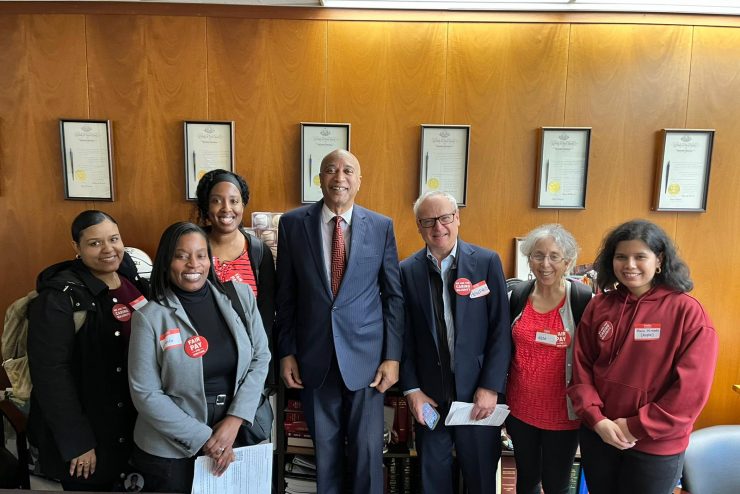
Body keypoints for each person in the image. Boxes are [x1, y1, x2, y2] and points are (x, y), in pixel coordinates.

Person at [275, 149, 404, 494]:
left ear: (359, 180)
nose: (339, 177)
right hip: (313, 359)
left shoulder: (381, 226)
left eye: (348, 170)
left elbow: (394, 297)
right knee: (326, 456)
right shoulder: (292, 224)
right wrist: (286, 351)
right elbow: (285, 296)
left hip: (367, 360)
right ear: (319, 179)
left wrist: (392, 358)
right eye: (330, 170)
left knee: (366, 455)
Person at [567, 219, 718, 494]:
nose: (630, 265)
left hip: (655, 446)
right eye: (621, 257)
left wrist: (636, 426)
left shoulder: (687, 313)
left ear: (659, 260)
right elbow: (581, 368)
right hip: (600, 435)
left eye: (640, 257)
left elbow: (691, 392)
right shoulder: (599, 305)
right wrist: (596, 419)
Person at [128, 222, 270, 493]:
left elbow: (260, 357)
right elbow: (145, 393)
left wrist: (234, 420)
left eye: (201, 255)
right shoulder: (149, 317)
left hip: (237, 435)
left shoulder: (239, 296)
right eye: (182, 256)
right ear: (167, 261)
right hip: (170, 450)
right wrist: (208, 439)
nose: (193, 264)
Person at [27, 210, 150, 491]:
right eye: (95, 243)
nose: (108, 250)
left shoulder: (135, 283)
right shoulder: (58, 297)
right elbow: (50, 375)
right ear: (77, 248)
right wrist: (77, 442)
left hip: (134, 432)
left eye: (114, 239)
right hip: (90, 437)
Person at [399, 191, 511, 494]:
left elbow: (500, 329)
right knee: (432, 481)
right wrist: (412, 391)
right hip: (431, 399)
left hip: (478, 398)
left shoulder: (487, 262)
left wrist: (491, 387)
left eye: (445, 217)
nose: (438, 227)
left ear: (457, 218)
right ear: (419, 227)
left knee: (480, 481)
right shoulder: (406, 271)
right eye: (428, 221)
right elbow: (402, 337)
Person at [506, 224, 592, 494]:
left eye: (554, 256)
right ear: (529, 259)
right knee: (526, 481)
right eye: (538, 255)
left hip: (563, 414)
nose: (545, 263)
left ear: (567, 261)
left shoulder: (582, 299)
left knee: (557, 484)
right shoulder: (517, 295)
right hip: (520, 410)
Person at [194, 169, 275, 342]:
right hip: (201, 349)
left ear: (243, 205)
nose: (226, 208)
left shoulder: (259, 252)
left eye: (234, 201)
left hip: (249, 351)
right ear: (206, 206)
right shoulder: (192, 246)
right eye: (216, 201)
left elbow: (265, 317)